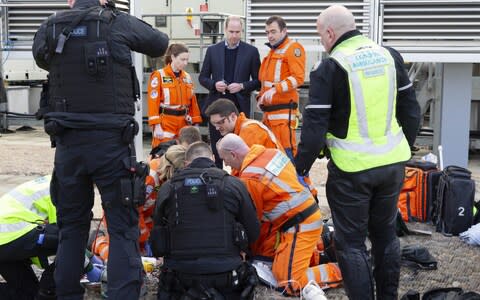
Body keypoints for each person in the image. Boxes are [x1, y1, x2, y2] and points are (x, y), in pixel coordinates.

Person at [32, 0, 169, 298]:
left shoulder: (51, 26)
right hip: (111, 145)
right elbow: (160, 43)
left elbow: (43, 60)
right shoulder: (116, 22)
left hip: (69, 146)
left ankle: (67, 294)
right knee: (121, 229)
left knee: (71, 229)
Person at [295, 5, 421, 299]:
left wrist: (300, 168)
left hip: (351, 171)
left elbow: (314, 130)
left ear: (329, 33)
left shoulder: (330, 67)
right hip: (392, 165)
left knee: (350, 243)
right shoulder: (389, 56)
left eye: (320, 36)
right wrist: (402, 148)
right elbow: (411, 110)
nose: (322, 43)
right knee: (385, 235)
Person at [217, 134, 342, 295]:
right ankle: (322, 246)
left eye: (225, 159)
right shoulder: (270, 153)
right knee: (279, 264)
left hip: (298, 225)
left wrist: (245, 249)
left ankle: (344, 270)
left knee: (289, 282)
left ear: (233, 154)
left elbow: (254, 223)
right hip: (304, 216)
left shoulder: (250, 179)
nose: (226, 163)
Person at [151, 142, 260, 299]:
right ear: (213, 158)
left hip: (181, 277)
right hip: (227, 276)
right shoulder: (234, 184)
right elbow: (253, 231)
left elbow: (157, 234)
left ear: (186, 163)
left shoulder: (168, 188)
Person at [0, 176, 105, 300]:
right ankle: (47, 292)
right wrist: (90, 268)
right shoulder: (70, 191)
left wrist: (89, 258)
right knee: (69, 244)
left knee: (27, 294)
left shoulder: (60, 178)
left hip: (8, 239)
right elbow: (67, 240)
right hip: (10, 234)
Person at [199, 15, 261, 168]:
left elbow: (258, 81)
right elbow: (203, 77)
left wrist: (242, 86)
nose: (234, 36)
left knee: (241, 146)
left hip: (239, 108)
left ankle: (240, 179)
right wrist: (214, 84)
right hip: (217, 105)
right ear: (225, 30)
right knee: (216, 144)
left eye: (238, 32)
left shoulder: (251, 52)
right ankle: (217, 175)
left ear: (242, 32)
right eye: (231, 31)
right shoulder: (213, 50)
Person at [257, 15, 305, 161]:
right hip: (270, 115)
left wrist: (275, 89)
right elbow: (265, 82)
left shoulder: (293, 48)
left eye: (273, 32)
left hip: (284, 115)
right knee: (274, 157)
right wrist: (261, 98)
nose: (269, 36)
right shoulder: (272, 52)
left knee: (288, 155)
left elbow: (298, 77)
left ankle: (301, 183)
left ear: (284, 31)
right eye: (267, 32)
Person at [205, 98, 282, 175]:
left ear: (232, 116)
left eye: (220, 122)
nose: (217, 128)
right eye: (214, 124)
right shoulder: (244, 129)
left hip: (274, 178)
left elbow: (244, 166)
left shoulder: (250, 131)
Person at [148, 43, 202, 149]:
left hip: (184, 123)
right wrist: (156, 126)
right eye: (182, 59)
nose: (185, 63)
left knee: (183, 153)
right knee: (163, 153)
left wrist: (195, 124)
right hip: (166, 123)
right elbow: (153, 102)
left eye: (187, 60)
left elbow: (193, 102)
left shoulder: (187, 77)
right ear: (172, 57)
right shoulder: (159, 75)